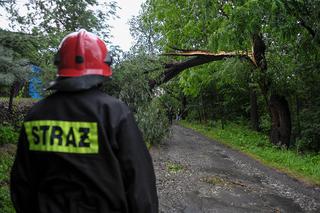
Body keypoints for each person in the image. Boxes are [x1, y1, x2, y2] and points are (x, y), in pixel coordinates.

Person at [10, 29, 159, 213]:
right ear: (103, 68)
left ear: (60, 66)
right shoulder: (115, 114)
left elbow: (21, 184)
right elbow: (140, 185)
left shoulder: (36, 115)